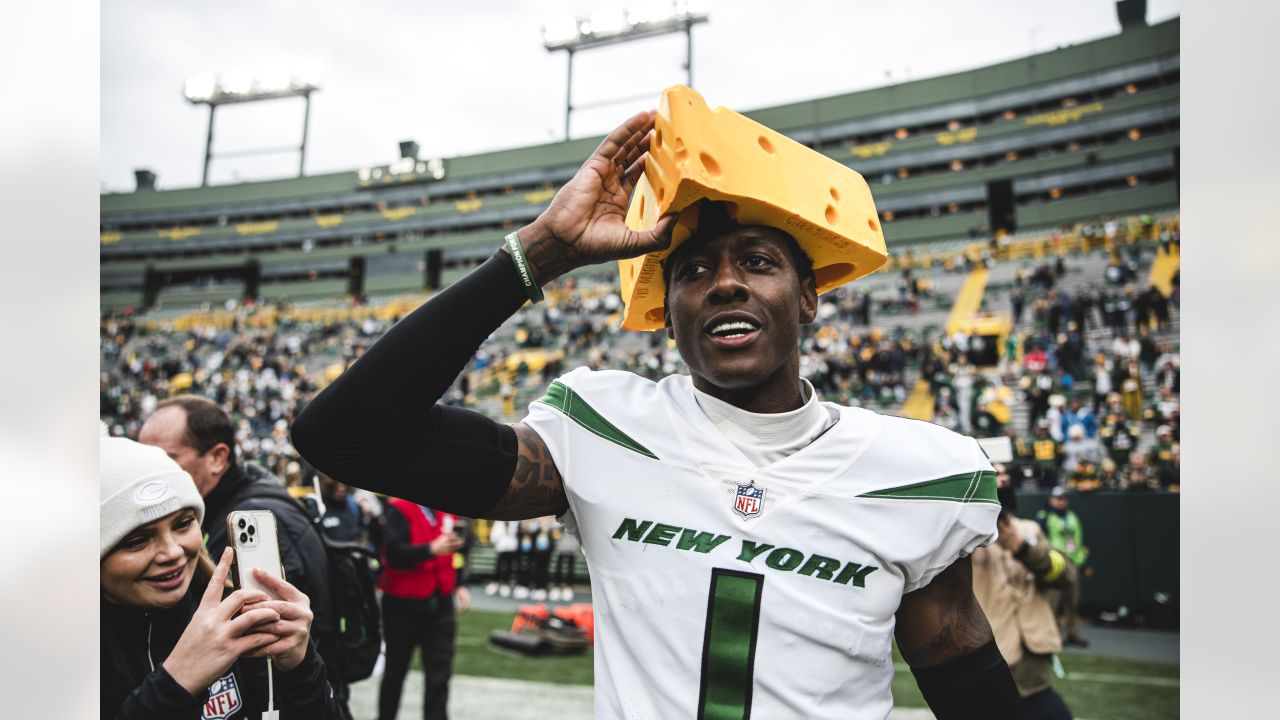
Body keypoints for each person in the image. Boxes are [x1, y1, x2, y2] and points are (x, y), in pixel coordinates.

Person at [292, 110, 1022, 718]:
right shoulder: (602, 430)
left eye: (759, 261)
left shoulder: (915, 473)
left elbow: (959, 663)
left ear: (808, 297)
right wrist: (537, 255)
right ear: (666, 315)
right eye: (694, 271)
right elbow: (341, 436)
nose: (725, 283)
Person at [100, 436, 343, 719]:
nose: (172, 552)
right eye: (138, 540)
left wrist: (301, 666)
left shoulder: (238, 616)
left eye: (183, 524)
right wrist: (175, 683)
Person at [971, 463, 1076, 719]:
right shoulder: (965, 539)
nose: (1002, 480)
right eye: (996, 474)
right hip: (992, 658)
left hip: (1033, 661)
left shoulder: (1029, 529)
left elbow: (1066, 576)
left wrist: (1020, 547)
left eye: (1006, 474)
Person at [377, 499, 470, 720]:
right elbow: (393, 554)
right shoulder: (399, 508)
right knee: (395, 673)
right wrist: (430, 549)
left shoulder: (449, 509)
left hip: (441, 605)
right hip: (403, 605)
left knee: (439, 676)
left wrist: (460, 583)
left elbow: (460, 552)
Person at [1036, 488, 1089, 647]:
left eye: (1063, 498)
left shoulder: (1072, 517)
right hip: (1055, 564)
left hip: (1072, 563)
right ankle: (1054, 634)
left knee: (1072, 602)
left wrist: (1081, 562)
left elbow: (1079, 539)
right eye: (1057, 498)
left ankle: (1073, 634)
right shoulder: (1045, 517)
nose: (1061, 501)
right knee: (1054, 602)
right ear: (1051, 500)